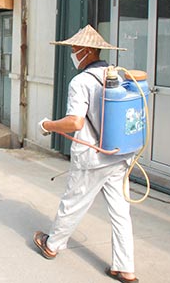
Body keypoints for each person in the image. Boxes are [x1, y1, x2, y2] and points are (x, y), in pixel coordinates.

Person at [33, 25, 139, 283]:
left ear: (87, 51)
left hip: (93, 158)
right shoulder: (117, 76)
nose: (73, 54)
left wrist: (48, 125)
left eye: (75, 49)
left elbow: (75, 122)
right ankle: (125, 268)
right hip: (119, 155)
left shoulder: (80, 82)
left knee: (73, 203)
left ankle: (52, 245)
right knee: (121, 214)